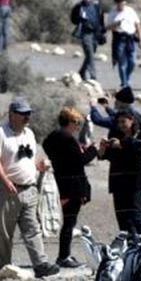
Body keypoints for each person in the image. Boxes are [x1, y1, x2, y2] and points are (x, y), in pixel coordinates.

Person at [0, 97, 59, 277]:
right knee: (5, 231)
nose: (27, 117)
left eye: (28, 114)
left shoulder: (29, 133)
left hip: (29, 188)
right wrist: (5, 181)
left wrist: (39, 166)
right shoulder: (0, 133)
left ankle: (41, 264)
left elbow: (29, 158)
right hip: (8, 189)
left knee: (32, 228)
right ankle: (4, 266)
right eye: (23, 114)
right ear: (12, 114)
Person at [41, 107, 98, 267]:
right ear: (70, 122)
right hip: (73, 186)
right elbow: (80, 160)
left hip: (60, 181)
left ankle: (63, 255)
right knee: (69, 222)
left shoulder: (52, 138)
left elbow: (65, 156)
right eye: (77, 122)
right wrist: (94, 150)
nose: (78, 126)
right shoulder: (68, 138)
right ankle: (64, 256)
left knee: (67, 221)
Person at [98, 107, 141, 234]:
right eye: (119, 122)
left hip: (136, 181)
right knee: (122, 216)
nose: (121, 125)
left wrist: (121, 144)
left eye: (124, 121)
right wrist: (103, 147)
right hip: (118, 182)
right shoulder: (115, 136)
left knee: (135, 213)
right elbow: (102, 156)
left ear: (132, 120)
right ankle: (129, 244)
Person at [106, 0, 141, 87]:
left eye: (122, 3)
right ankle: (124, 83)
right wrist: (115, 24)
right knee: (122, 62)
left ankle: (127, 77)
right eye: (119, 3)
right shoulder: (112, 13)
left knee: (132, 61)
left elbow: (137, 24)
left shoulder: (130, 11)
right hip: (119, 38)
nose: (121, 5)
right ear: (116, 3)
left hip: (131, 38)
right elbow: (107, 27)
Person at [70, 0, 106, 81]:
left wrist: (102, 31)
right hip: (85, 33)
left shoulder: (96, 5)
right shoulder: (78, 7)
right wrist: (81, 20)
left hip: (95, 33)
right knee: (89, 53)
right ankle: (93, 76)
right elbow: (73, 19)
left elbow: (101, 19)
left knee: (91, 54)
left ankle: (82, 72)